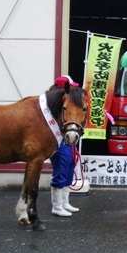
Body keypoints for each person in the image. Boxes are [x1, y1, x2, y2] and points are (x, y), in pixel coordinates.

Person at [49, 75, 80, 217]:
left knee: (69, 164)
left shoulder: (68, 103)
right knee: (61, 168)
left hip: (67, 139)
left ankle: (65, 202)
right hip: (58, 140)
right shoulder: (55, 104)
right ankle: (57, 205)